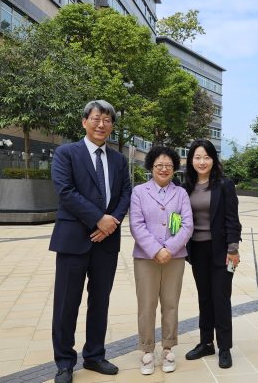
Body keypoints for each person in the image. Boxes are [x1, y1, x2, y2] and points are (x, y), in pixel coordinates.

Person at [49, 100, 131, 383]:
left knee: (100, 302)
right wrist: (99, 219)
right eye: (96, 118)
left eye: (107, 120)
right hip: (73, 239)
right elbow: (66, 191)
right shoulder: (66, 153)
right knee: (66, 304)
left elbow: (125, 195)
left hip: (106, 242)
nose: (101, 124)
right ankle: (64, 362)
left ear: (112, 126)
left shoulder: (119, 160)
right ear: (84, 121)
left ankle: (95, 355)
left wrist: (111, 223)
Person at [129, 145, 193, 375]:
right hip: (146, 257)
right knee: (146, 305)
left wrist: (169, 249)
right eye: (159, 165)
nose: (163, 169)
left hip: (174, 258)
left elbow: (187, 225)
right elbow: (136, 224)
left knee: (170, 303)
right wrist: (156, 249)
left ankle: (167, 348)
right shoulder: (139, 192)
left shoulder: (182, 193)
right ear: (151, 167)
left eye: (168, 165)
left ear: (174, 168)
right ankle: (147, 350)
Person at [183, 139, 242, 369]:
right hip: (197, 250)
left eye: (206, 157)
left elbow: (232, 220)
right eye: (197, 157)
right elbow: (178, 218)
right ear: (191, 160)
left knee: (220, 298)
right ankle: (206, 342)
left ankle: (224, 347)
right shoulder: (186, 185)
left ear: (213, 160)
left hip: (222, 251)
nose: (202, 161)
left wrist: (233, 249)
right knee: (204, 297)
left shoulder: (224, 185)